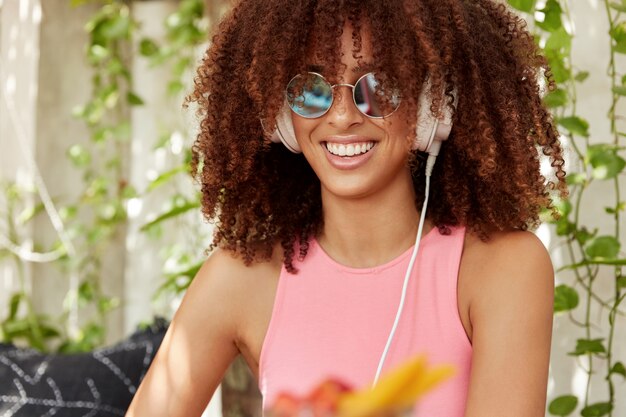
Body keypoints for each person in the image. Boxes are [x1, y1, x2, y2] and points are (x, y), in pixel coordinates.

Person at [126, 0, 567, 416]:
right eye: (312, 89)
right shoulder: (240, 280)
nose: (341, 117)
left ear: (436, 105)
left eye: (377, 87)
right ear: (282, 114)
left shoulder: (504, 270)